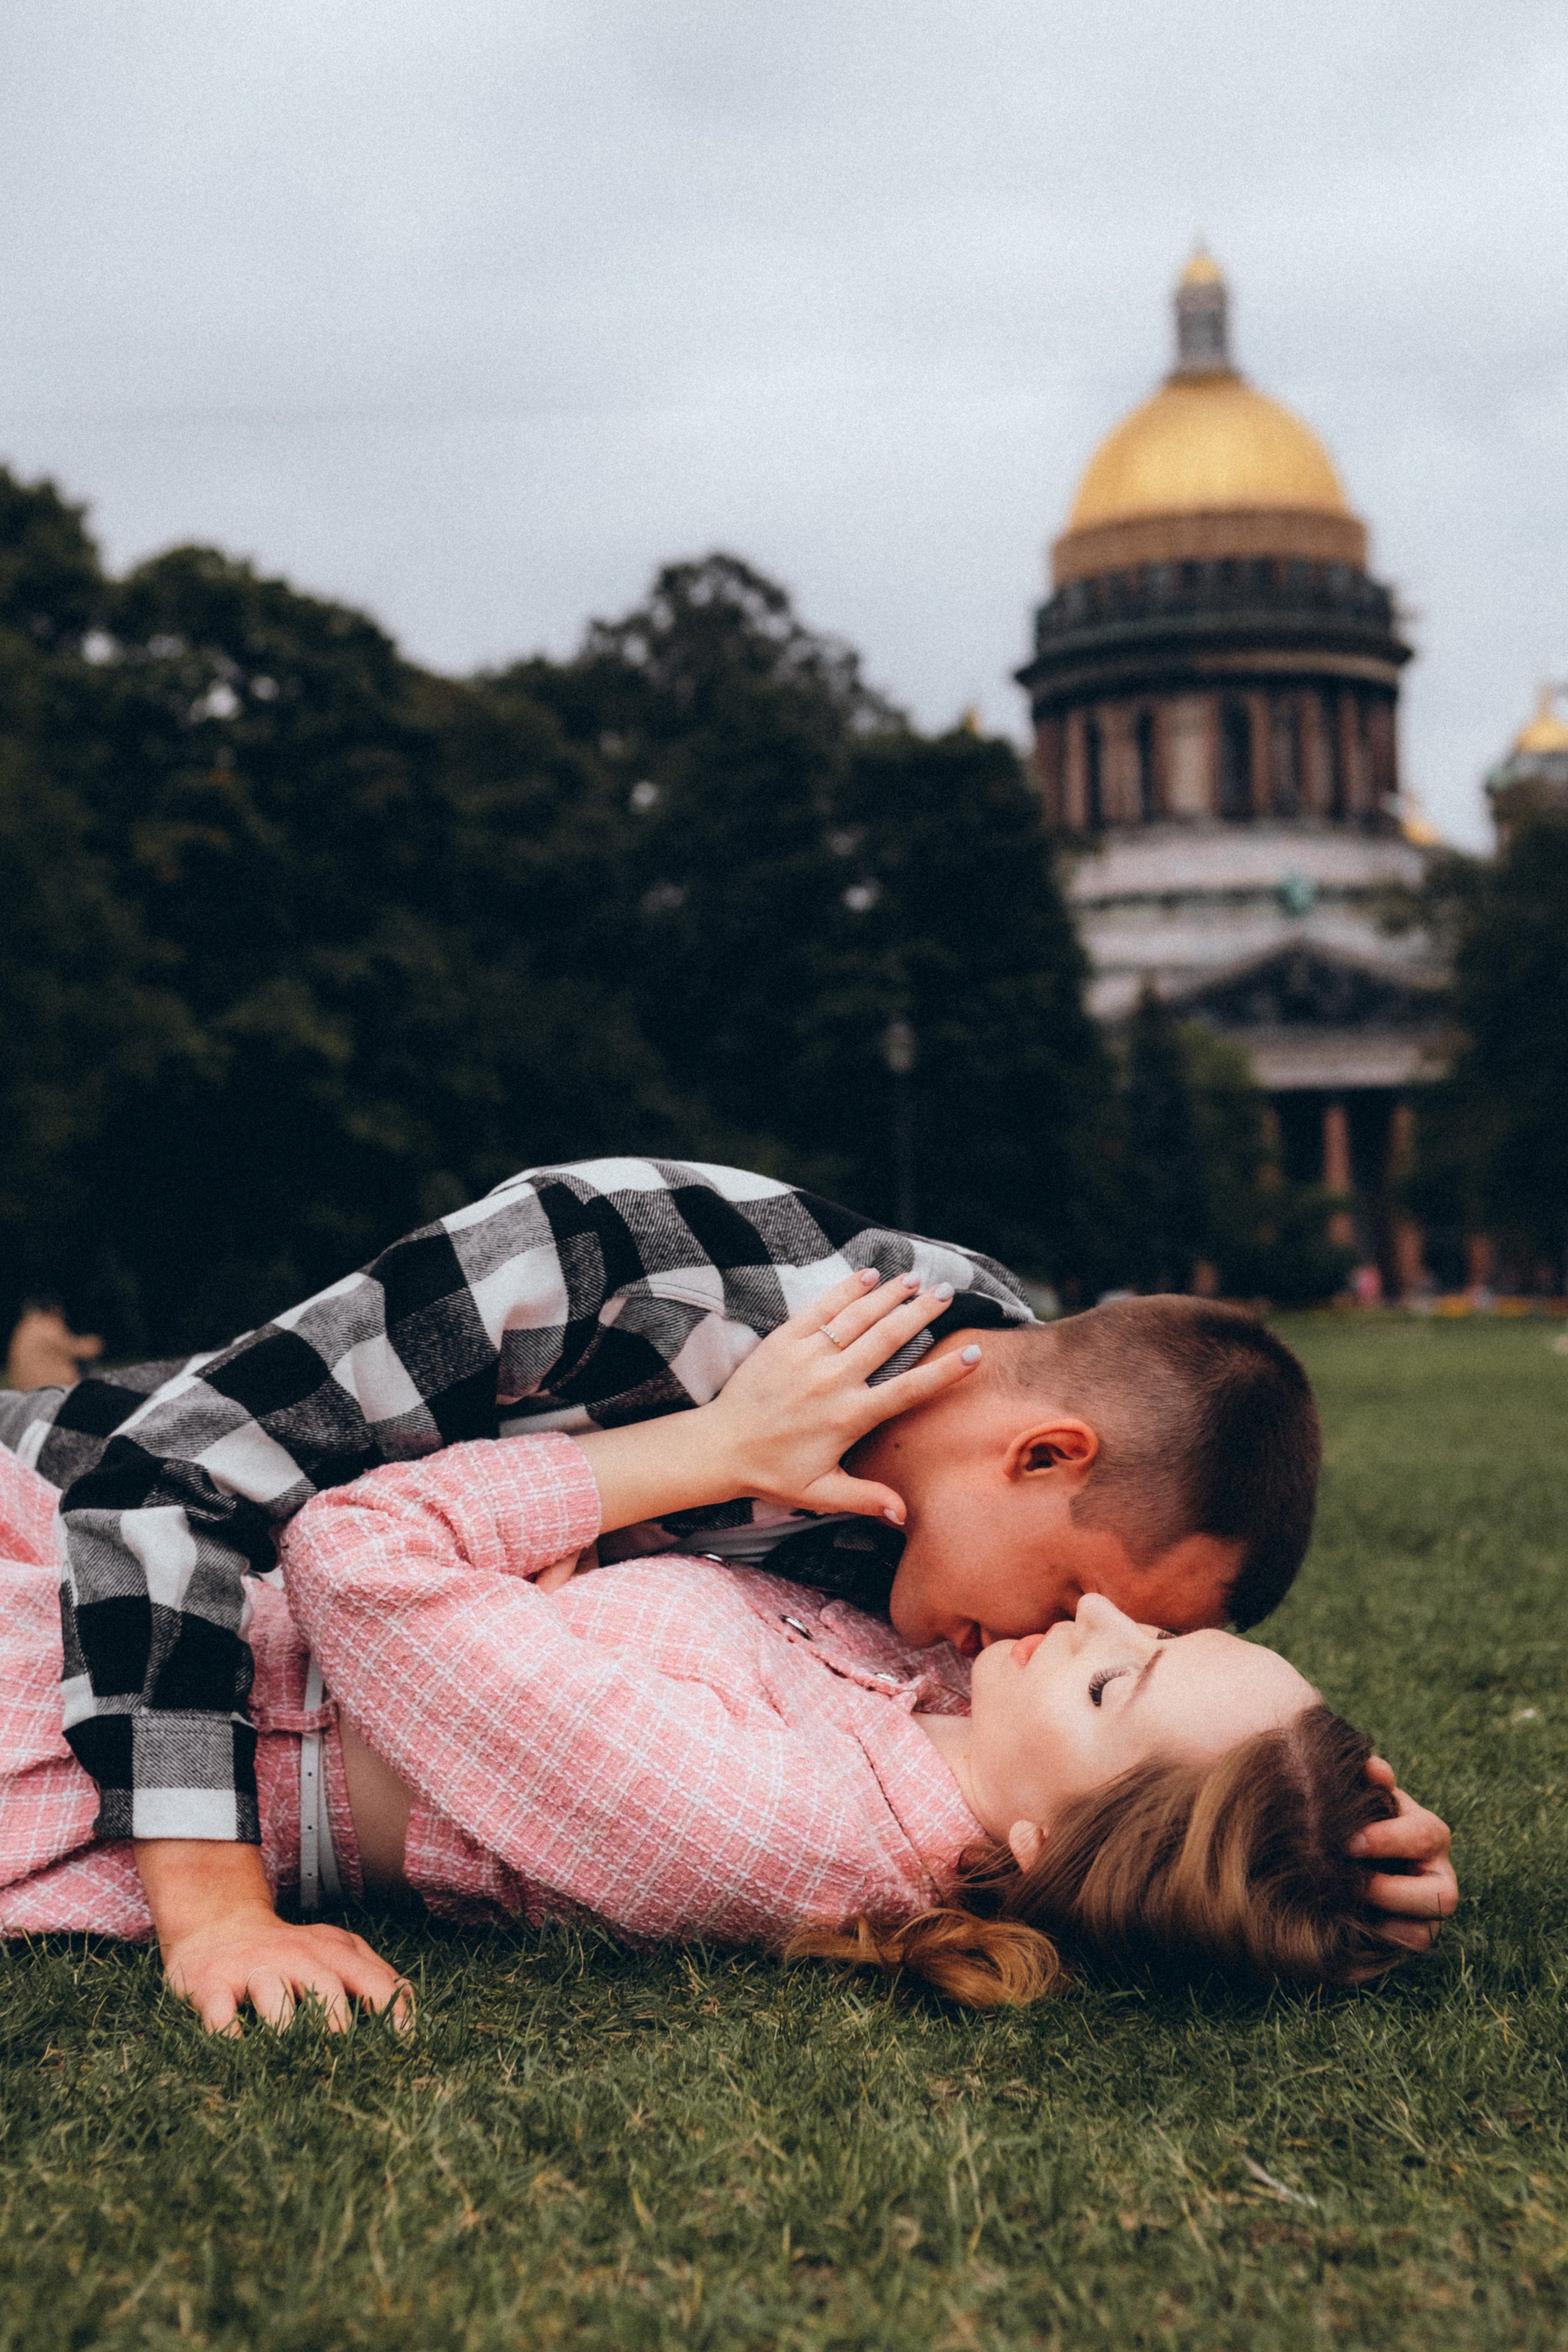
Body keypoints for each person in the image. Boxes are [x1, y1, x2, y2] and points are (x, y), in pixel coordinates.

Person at [0, 1163, 1456, 2024]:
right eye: (1080, 1594)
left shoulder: (953, 1629)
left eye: (1117, 1645)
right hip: (71, 1511)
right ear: (1039, 1457)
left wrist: (1322, 1845)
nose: (1060, 1629)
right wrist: (215, 1915)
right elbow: (164, 1487)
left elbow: (1109, 1784)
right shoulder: (628, 1263)